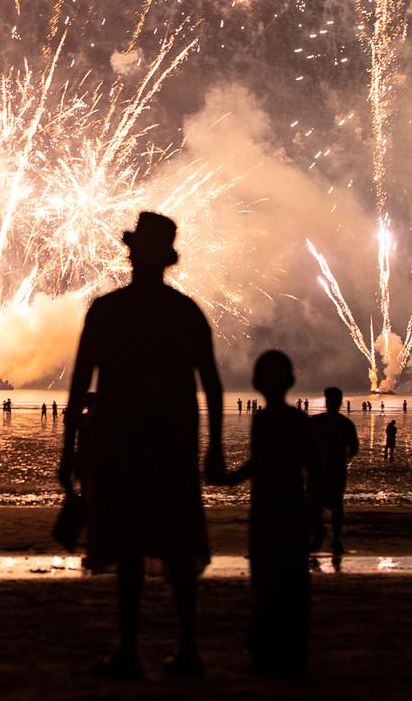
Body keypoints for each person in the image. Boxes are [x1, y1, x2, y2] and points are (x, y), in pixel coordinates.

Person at [60, 212, 223, 679]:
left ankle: (130, 649)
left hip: (120, 442)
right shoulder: (185, 311)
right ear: (168, 259)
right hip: (171, 441)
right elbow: (210, 384)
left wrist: (69, 451)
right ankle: (187, 648)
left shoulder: (106, 310)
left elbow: (78, 386)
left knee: (128, 546)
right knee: (176, 546)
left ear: (131, 252)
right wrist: (214, 447)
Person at [208, 351, 311, 676]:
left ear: (255, 383)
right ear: (291, 381)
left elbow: (259, 463)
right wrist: (315, 514)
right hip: (292, 509)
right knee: (293, 581)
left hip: (267, 510)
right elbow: (314, 469)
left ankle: (265, 648)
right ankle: (292, 650)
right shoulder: (298, 420)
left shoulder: (264, 419)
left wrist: (228, 479)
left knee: (266, 581)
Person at [308, 387, 359, 554]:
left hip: (317, 471)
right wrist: (342, 459)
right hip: (337, 471)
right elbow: (354, 449)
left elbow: (302, 444)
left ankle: (317, 534)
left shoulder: (315, 422)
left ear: (326, 401)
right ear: (341, 402)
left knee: (314, 505)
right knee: (337, 506)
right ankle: (336, 541)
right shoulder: (346, 424)